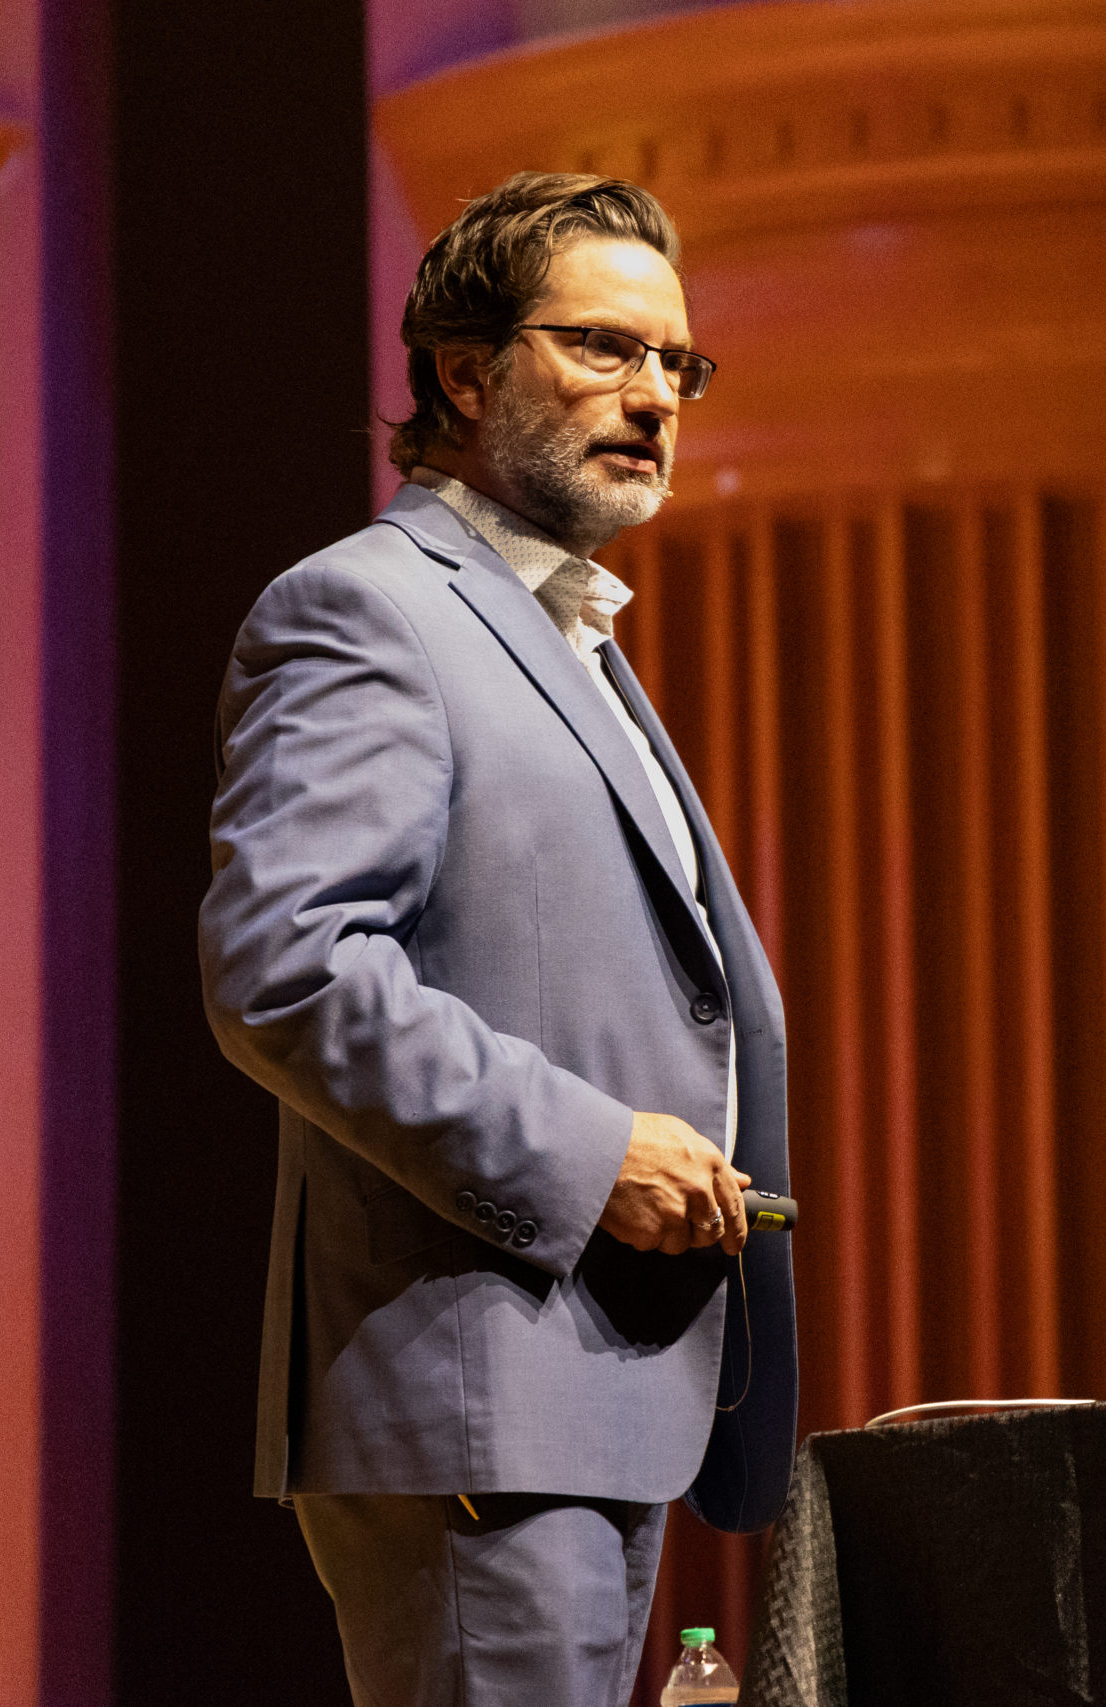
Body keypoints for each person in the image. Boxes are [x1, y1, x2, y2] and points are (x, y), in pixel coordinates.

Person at [200, 171, 796, 1707]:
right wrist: (591, 1155)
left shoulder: (566, 636)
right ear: (463, 375)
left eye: (676, 362)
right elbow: (290, 968)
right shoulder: (367, 611)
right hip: (481, 1396)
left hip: (590, 1395)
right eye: (603, 348)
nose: (654, 396)